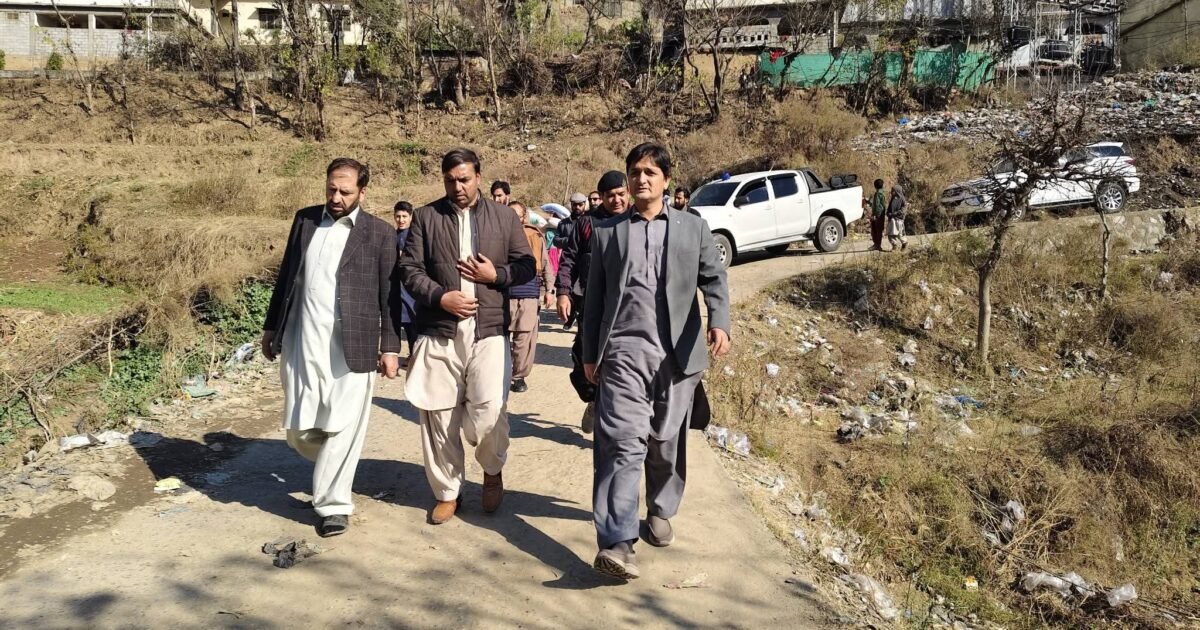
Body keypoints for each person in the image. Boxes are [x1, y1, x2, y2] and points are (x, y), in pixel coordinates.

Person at [581, 143, 731, 580]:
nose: (641, 178)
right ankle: (617, 542)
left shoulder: (693, 228)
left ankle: (661, 507)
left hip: (677, 355)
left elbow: (714, 278)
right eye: (635, 172)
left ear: (666, 179)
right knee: (620, 442)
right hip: (623, 352)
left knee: (665, 441)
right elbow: (594, 300)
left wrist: (720, 321)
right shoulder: (608, 232)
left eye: (650, 172)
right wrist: (589, 353)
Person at [260, 158, 400, 538]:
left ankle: (333, 505)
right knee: (300, 426)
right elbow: (287, 276)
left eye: (345, 192)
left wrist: (390, 346)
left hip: (353, 344)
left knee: (344, 425)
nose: (336, 198)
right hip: (302, 339)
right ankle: (331, 464)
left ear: (362, 192)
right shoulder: (305, 220)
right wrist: (271, 326)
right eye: (331, 189)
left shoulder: (380, 233)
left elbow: (390, 297)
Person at [399, 149, 536, 525]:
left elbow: (527, 265)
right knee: (438, 414)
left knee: (489, 411)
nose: (457, 187)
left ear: (478, 177)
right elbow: (409, 269)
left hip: (488, 331)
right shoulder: (426, 217)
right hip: (440, 330)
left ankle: (492, 470)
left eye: (464, 179)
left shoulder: (504, 217)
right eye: (450, 180)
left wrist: (497, 276)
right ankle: (448, 491)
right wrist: (440, 296)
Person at [556, 171, 631, 433]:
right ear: (600, 197)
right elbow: (568, 259)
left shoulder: (637, 220)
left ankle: (617, 419)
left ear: (628, 193)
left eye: (621, 194)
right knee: (584, 359)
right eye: (610, 195)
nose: (617, 200)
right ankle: (594, 400)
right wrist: (563, 292)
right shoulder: (587, 224)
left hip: (628, 309)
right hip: (592, 306)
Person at [507, 202, 556, 393]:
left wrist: (550, 290)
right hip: (503, 294)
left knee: (524, 338)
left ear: (524, 217)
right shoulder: (498, 236)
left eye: (517, 216)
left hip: (528, 294)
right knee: (501, 337)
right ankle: (502, 372)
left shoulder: (535, 236)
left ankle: (518, 376)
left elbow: (546, 264)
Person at [392, 201, 418, 360]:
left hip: (412, 286)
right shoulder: (393, 235)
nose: (401, 220)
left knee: (414, 323)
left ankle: (415, 355)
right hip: (398, 286)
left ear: (411, 217)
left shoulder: (415, 235)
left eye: (404, 216)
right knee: (403, 322)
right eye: (398, 216)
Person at [887, 184, 908, 252]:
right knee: (891, 234)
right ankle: (894, 245)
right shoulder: (892, 199)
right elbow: (889, 208)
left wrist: (894, 214)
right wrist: (888, 214)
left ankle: (904, 243)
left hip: (899, 220)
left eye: (893, 191)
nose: (891, 192)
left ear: (897, 191)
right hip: (892, 220)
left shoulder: (902, 200)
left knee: (900, 234)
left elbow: (903, 211)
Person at [869, 179, 887, 251]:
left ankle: (877, 245)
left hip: (878, 215)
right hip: (880, 214)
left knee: (876, 230)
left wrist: (875, 215)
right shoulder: (881, 193)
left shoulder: (878, 194)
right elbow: (879, 205)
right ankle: (877, 244)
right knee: (878, 230)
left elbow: (877, 205)